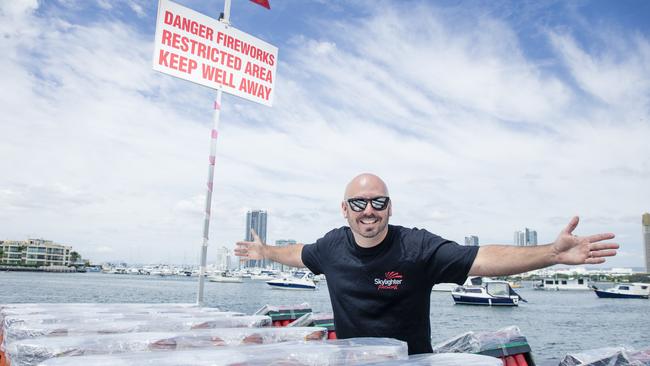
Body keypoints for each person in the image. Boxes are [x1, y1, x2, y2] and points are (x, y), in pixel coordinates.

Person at [235, 173, 618, 354]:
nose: (368, 211)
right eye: (358, 203)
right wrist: (265, 251)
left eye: (378, 202)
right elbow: (298, 254)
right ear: (345, 209)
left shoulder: (416, 246)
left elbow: (484, 258)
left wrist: (552, 253)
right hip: (353, 363)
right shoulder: (331, 247)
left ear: (390, 207)